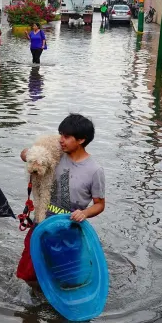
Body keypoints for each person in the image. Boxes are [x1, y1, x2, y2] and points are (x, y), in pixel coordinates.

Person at [16, 114, 106, 282]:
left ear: (81, 140)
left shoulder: (95, 170)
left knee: (66, 277)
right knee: (27, 275)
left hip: (69, 228)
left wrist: (85, 213)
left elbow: (99, 205)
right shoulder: (53, 155)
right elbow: (24, 155)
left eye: (66, 136)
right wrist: (29, 153)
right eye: (60, 134)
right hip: (41, 224)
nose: (61, 140)